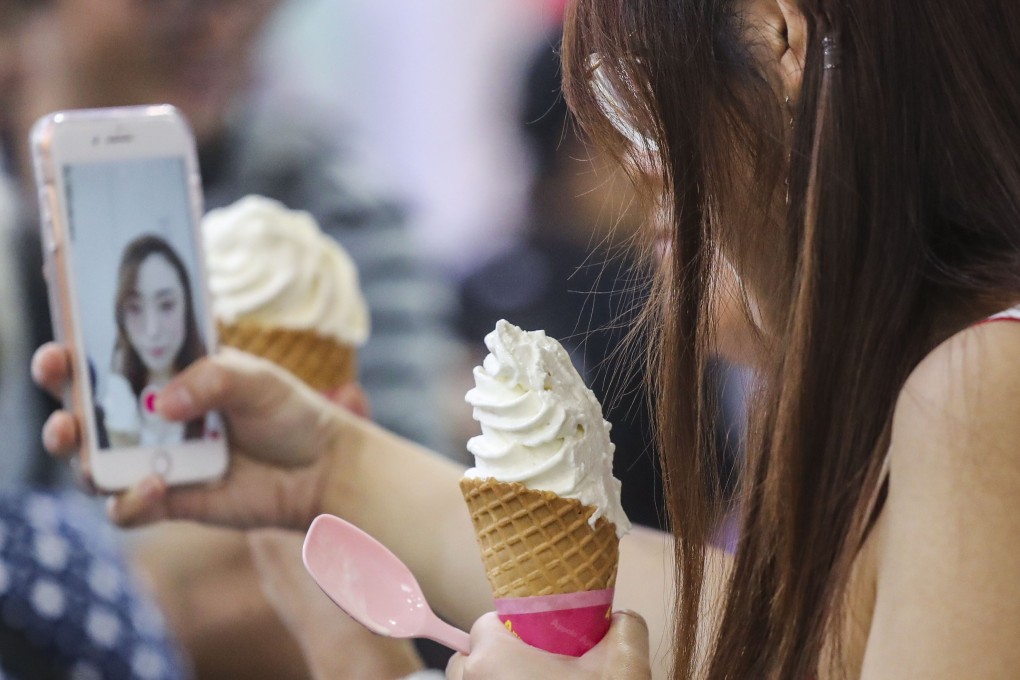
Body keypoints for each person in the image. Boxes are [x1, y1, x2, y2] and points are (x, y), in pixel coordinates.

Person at [32, 0, 1020, 678]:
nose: (633, 177)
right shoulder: (950, 396)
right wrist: (328, 470)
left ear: (779, 35)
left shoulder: (980, 385)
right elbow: (768, 638)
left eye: (631, 101)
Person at [103, 235, 207, 447]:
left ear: (186, 306)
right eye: (135, 308)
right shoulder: (115, 406)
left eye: (166, 305)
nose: (152, 331)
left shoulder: (217, 395)